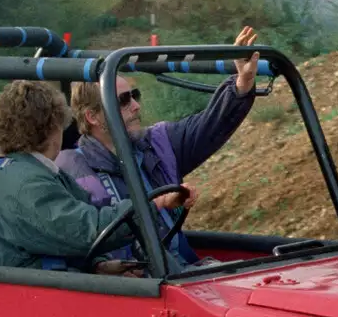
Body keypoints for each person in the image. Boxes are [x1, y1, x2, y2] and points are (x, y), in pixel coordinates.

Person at [56, 26, 260, 269]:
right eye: (123, 101)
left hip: (178, 274)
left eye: (135, 95)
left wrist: (242, 83)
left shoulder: (157, 143)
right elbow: (73, 242)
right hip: (131, 289)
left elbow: (209, 125)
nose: (136, 106)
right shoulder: (71, 171)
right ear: (93, 117)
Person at [0, 80, 189, 272]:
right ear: (53, 126)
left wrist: (99, 266)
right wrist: (155, 203)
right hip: (46, 296)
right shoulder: (27, 184)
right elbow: (88, 229)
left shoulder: (34, 173)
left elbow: (60, 237)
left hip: (59, 284)